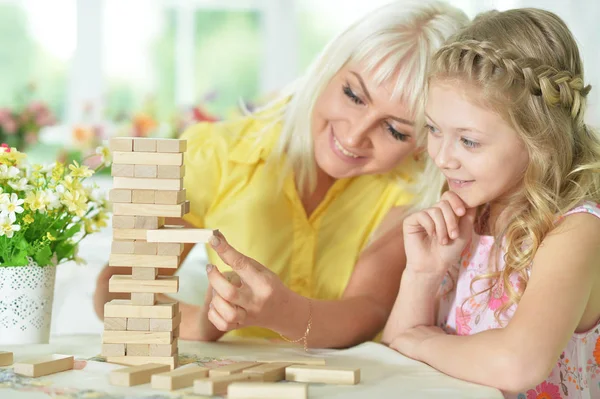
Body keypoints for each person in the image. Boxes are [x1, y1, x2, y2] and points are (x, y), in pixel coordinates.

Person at [94, 1, 468, 349]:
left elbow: (369, 309)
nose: (354, 135)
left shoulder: (418, 186)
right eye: (354, 95)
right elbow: (117, 292)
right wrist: (200, 324)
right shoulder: (215, 152)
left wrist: (282, 313)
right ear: (328, 68)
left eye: (395, 131)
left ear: (424, 139)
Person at [382, 7, 600, 398]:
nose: (443, 157)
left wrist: (422, 341)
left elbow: (518, 364)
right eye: (433, 129)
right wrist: (423, 273)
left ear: (539, 139)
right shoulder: (466, 212)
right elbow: (397, 352)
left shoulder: (576, 231)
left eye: (468, 140)